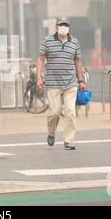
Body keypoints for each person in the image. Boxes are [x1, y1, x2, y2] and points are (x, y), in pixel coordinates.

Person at [36, 18, 86, 150]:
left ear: (69, 27)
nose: (64, 27)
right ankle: (51, 132)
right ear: (56, 26)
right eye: (61, 25)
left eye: (66, 25)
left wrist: (80, 80)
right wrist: (39, 78)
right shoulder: (47, 41)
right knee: (55, 112)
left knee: (70, 112)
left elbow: (78, 61)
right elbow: (40, 60)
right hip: (53, 84)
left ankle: (69, 141)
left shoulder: (74, 42)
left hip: (71, 83)